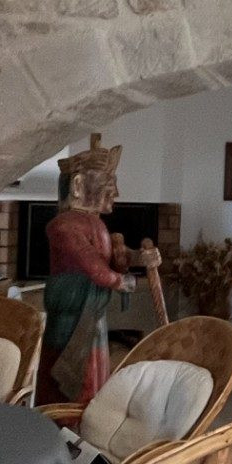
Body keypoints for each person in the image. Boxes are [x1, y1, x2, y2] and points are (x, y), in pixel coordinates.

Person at [39, 134, 153, 403]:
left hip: (93, 316)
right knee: (69, 381)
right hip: (71, 317)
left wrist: (140, 257)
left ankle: (88, 417)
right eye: (107, 184)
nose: (116, 193)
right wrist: (119, 281)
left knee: (94, 380)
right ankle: (63, 422)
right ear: (78, 186)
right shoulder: (64, 226)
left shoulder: (96, 224)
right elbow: (93, 265)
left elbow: (112, 259)